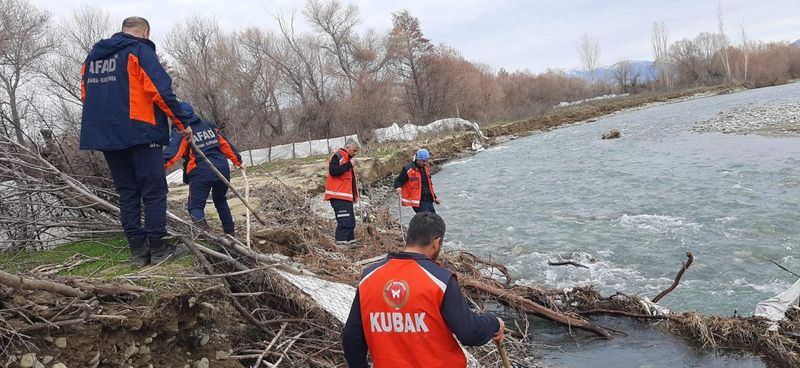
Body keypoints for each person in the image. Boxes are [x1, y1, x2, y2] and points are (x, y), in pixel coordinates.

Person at [80, 16, 197, 266]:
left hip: (107, 136)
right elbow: (160, 91)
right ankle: (158, 249)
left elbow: (85, 95)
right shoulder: (139, 51)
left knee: (127, 193)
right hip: (141, 133)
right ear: (145, 32)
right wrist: (181, 124)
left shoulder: (93, 58)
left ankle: (137, 252)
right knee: (154, 191)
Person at [342, 212, 504, 367]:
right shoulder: (440, 280)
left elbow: (352, 338)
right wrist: (494, 322)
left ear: (409, 237)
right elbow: (470, 333)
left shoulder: (369, 277)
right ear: (436, 242)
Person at [164, 102, 244, 235]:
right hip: (221, 168)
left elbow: (173, 153)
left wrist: (159, 167)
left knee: (195, 207)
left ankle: (207, 237)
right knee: (220, 200)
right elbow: (225, 145)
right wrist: (238, 161)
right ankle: (231, 235)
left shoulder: (182, 129)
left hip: (200, 171)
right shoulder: (208, 125)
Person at [324, 140, 360, 246]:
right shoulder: (338, 156)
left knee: (350, 220)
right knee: (344, 220)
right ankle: (341, 243)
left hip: (345, 196)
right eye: (354, 150)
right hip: (338, 195)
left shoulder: (346, 158)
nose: (355, 153)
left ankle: (350, 241)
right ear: (348, 147)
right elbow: (333, 171)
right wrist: (349, 164)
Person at [394, 148, 440, 213]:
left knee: (434, 219)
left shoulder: (426, 168)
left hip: (429, 200)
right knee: (427, 220)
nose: (426, 163)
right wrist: (398, 187)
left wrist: (435, 197)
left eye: (427, 161)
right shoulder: (408, 169)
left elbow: (428, 184)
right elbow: (398, 181)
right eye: (424, 161)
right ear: (417, 159)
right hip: (418, 201)